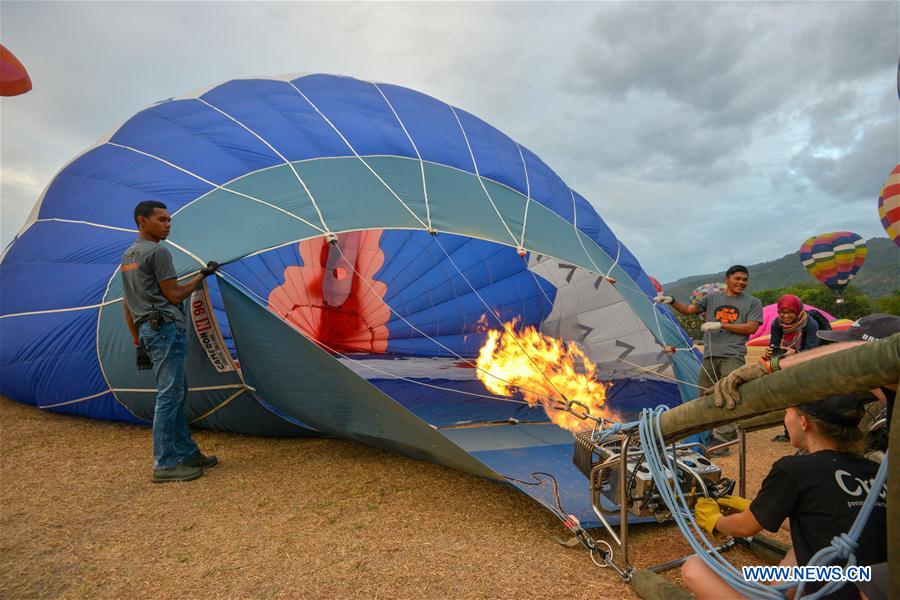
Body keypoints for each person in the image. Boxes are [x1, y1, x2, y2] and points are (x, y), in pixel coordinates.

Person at [682, 393, 887, 600]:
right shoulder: (874, 470)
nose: (785, 418)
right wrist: (752, 507)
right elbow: (822, 518)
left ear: (803, 422)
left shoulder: (794, 469)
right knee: (797, 554)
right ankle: (774, 594)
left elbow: (745, 527)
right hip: (874, 583)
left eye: (787, 411)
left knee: (693, 567)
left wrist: (715, 521)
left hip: (838, 590)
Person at [121, 200, 220, 483]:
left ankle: (187, 453)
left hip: (149, 331)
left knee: (175, 392)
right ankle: (164, 464)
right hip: (165, 329)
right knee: (169, 396)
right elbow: (175, 295)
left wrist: (138, 341)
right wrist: (202, 276)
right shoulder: (158, 252)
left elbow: (128, 303)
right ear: (143, 221)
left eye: (169, 221)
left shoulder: (129, 255)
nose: (168, 225)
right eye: (162, 220)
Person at [655, 265, 762, 450]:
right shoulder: (713, 299)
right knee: (704, 395)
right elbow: (689, 310)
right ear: (727, 279)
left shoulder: (752, 302)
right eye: (737, 278)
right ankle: (708, 433)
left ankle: (723, 439)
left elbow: (751, 328)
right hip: (710, 355)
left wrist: (720, 324)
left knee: (730, 394)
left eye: (745, 279)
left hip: (733, 355)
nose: (741, 283)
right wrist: (671, 300)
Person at [767, 294, 819, 442]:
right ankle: (789, 432)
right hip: (786, 365)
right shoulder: (777, 324)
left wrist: (794, 353)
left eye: (790, 312)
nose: (786, 315)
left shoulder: (810, 324)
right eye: (782, 312)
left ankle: (809, 431)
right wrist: (771, 351)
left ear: (798, 310)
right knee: (787, 400)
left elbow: (813, 351)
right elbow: (774, 344)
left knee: (805, 400)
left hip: (806, 366)